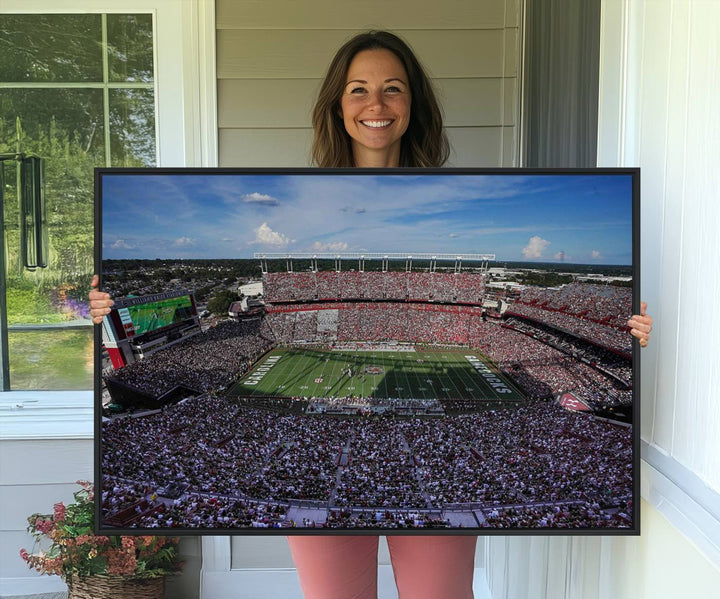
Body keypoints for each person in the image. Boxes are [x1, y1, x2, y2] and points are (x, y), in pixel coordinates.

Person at [89, 30, 653, 599]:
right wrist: (100, 312)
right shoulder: (304, 200)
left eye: (393, 89)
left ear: (414, 104)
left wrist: (629, 333)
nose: (376, 105)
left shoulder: (450, 196)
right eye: (358, 89)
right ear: (338, 104)